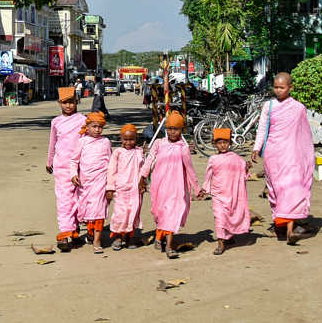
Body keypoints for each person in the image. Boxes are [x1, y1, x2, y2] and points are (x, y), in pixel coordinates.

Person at [250, 71, 315, 245]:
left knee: (291, 189)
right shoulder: (268, 106)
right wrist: (256, 148)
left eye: (282, 87)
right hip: (273, 155)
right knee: (276, 190)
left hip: (292, 155)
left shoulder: (298, 108)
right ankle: (282, 224)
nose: (278, 91)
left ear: (290, 88)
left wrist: (306, 156)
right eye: (276, 87)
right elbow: (262, 128)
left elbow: (304, 134)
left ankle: (289, 229)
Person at [140, 111, 198, 259]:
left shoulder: (183, 148)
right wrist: (142, 177)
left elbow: (190, 170)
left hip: (177, 189)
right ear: (166, 128)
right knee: (161, 214)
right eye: (170, 128)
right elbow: (149, 161)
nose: (172, 132)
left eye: (176, 129)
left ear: (182, 130)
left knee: (172, 214)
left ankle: (170, 246)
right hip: (159, 187)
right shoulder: (159, 144)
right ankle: (159, 237)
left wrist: (197, 188)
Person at [198, 127, 251, 254]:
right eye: (219, 143)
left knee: (230, 215)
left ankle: (229, 236)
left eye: (225, 142)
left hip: (232, 194)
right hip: (218, 195)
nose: (222, 145)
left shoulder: (236, 158)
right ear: (215, 144)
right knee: (220, 218)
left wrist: (247, 168)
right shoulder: (213, 159)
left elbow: (243, 173)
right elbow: (208, 176)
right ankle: (220, 243)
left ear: (230, 143)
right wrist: (204, 189)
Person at [47, 86, 87, 251]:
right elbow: (52, 143)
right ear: (59, 103)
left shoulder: (84, 120)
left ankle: (75, 230)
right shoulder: (56, 122)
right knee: (64, 200)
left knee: (79, 199)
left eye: (71, 102)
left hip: (81, 166)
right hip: (62, 165)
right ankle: (65, 232)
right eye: (65, 103)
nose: (68, 106)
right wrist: (49, 161)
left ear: (77, 102)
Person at [70, 111, 113, 254]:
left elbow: (110, 162)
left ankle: (97, 240)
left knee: (99, 211)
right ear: (87, 127)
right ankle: (90, 232)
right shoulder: (82, 142)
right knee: (88, 211)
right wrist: (74, 174)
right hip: (85, 183)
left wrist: (111, 184)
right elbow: (74, 160)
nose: (97, 130)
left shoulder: (105, 142)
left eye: (100, 127)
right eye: (94, 126)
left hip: (101, 181)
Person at [107, 123, 144, 251]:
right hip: (121, 188)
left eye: (131, 139)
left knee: (133, 212)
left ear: (136, 138)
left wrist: (143, 184)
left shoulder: (139, 152)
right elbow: (111, 170)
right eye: (125, 139)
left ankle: (129, 237)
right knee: (120, 213)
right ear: (121, 138)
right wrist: (110, 188)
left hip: (135, 189)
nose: (128, 142)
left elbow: (144, 170)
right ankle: (118, 237)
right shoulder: (118, 152)